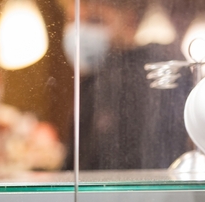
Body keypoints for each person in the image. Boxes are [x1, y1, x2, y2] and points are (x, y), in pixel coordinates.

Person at [63, 0, 190, 170]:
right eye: (73, 21)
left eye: (94, 20)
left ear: (129, 21)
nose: (80, 32)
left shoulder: (157, 71)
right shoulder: (94, 80)